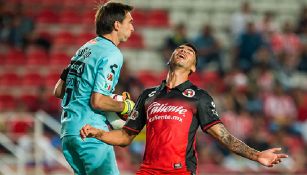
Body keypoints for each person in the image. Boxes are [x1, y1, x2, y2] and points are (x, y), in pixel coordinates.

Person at [80, 43, 289, 174]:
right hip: (148, 171)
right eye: (179, 49)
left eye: (189, 52)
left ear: (193, 68)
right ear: (170, 58)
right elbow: (126, 137)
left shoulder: (199, 97)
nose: (183, 51)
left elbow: (224, 137)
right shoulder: (148, 95)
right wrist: (98, 133)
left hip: (180, 172)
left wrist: (257, 155)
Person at [53, 2, 135, 175]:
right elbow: (97, 101)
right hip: (89, 133)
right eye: (130, 22)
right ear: (117, 25)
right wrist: (125, 106)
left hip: (69, 133)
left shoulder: (84, 49)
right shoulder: (112, 53)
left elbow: (58, 91)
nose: (132, 28)